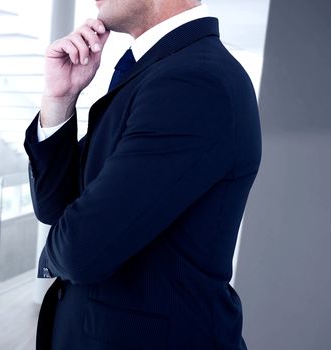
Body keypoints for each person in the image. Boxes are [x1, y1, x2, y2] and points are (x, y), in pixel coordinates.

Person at [25, 0, 260, 349]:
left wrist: (66, 235)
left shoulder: (193, 81)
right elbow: (54, 207)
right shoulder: (160, 73)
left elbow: (79, 250)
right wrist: (60, 99)